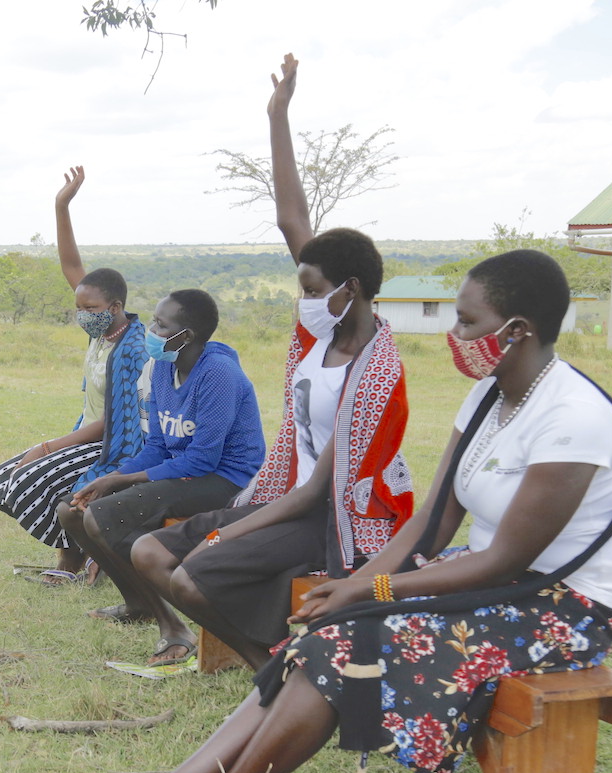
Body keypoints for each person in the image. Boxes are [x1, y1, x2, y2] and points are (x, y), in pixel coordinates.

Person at [45, 248, 612, 773]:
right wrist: (357, 583)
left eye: (467, 322)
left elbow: (505, 559)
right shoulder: (490, 401)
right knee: (325, 636)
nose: (455, 336)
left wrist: (374, 588)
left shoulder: (573, 419)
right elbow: (432, 522)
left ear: (516, 330)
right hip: (493, 581)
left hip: (562, 608)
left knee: (344, 643)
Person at [127, 53, 412, 667]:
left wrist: (234, 527)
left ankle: (272, 673)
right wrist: (279, 116)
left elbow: (322, 492)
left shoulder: (377, 374)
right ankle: (276, 669)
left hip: (333, 517)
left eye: (311, 290)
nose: (302, 301)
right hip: (286, 493)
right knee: (151, 552)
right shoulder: (319, 335)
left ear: (351, 288)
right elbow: (292, 220)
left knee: (192, 573)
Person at [58, 288, 265, 642]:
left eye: (160, 324)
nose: (151, 329)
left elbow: (203, 460)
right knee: (71, 510)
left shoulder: (218, 373)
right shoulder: (162, 368)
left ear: (186, 336)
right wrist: (113, 476)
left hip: (224, 477)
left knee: (104, 515)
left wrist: (124, 482)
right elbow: (156, 445)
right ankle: (137, 603)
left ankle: (173, 625)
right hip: (181, 469)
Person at [0, 166, 149, 586]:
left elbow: (117, 420)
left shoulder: (133, 348)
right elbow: (71, 264)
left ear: (116, 305)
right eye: (80, 308)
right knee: (2, 478)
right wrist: (61, 205)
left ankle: (88, 562)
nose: (83, 315)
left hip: (116, 444)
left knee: (41, 476)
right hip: (87, 432)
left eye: (91, 309)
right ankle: (77, 563)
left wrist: (49, 445)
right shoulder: (104, 327)